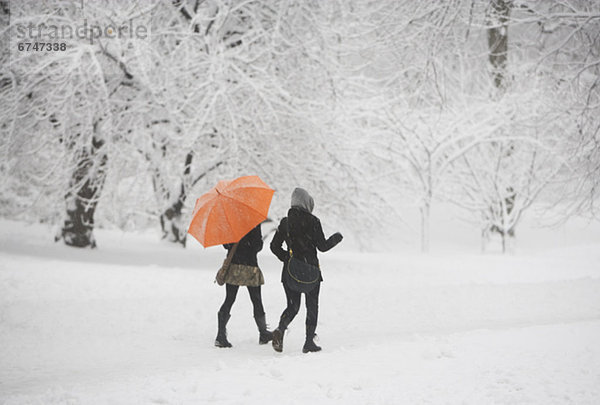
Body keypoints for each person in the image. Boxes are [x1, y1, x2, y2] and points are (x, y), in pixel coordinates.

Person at [270, 188, 343, 353]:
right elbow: (322, 247)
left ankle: (280, 330)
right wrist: (335, 238)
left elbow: (274, 247)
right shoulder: (313, 221)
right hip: (311, 272)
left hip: (290, 273)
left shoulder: (285, 222)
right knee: (312, 306)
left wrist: (288, 259)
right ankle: (309, 342)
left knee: (293, 306)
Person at [215, 224, 273, 348]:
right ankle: (263, 333)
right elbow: (257, 246)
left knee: (229, 299)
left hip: (234, 266)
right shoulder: (253, 221)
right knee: (256, 300)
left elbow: (226, 245)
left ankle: (220, 335)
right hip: (250, 266)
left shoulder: (231, 221)